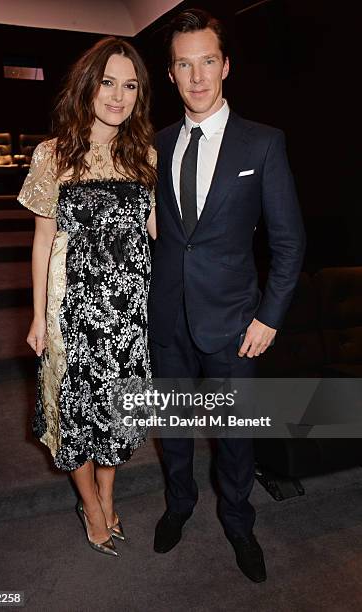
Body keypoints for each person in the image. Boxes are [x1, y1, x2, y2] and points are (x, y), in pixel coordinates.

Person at [149, 9, 306, 582]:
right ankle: (179, 505)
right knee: (174, 432)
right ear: (170, 75)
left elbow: (290, 243)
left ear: (226, 66)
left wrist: (269, 318)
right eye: (184, 65)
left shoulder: (263, 144)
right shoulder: (155, 146)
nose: (196, 76)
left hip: (236, 327)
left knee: (236, 440)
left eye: (207, 61)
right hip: (166, 322)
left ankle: (239, 524)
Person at [18, 37, 157, 557]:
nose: (118, 96)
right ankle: (92, 506)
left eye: (130, 86)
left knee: (116, 417)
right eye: (107, 83)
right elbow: (42, 240)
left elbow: (160, 232)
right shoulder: (52, 154)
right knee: (76, 415)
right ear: (87, 85)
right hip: (71, 310)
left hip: (127, 315)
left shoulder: (144, 155)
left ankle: (107, 490)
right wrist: (37, 317)